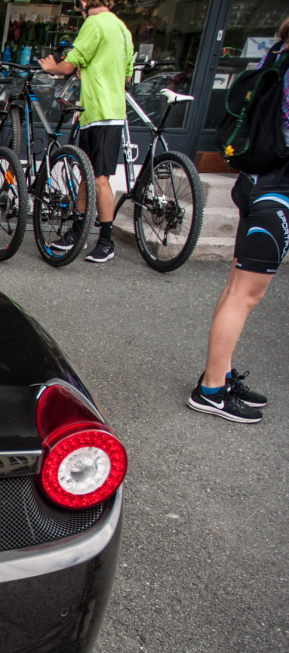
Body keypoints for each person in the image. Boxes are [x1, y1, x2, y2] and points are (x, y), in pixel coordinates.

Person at [186, 19, 289, 424]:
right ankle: (211, 390)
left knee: (235, 291)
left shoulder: (277, 57)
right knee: (244, 296)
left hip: (254, 185)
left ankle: (220, 374)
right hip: (274, 195)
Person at [38, 0, 134, 262]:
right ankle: (77, 233)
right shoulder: (122, 28)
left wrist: (49, 68)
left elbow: (67, 66)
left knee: (100, 179)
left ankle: (106, 242)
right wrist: (90, 70)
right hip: (109, 111)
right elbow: (126, 77)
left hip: (99, 111)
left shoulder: (94, 24)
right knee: (87, 174)